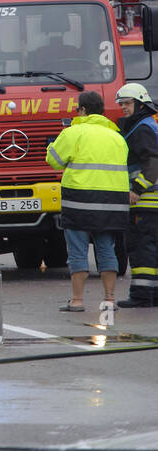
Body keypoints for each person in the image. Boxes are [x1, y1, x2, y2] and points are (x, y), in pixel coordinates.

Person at [46, 91, 128, 313]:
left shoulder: (73, 132)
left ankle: (77, 301)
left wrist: (52, 144)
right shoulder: (117, 136)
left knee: (77, 251)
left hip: (80, 201)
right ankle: (109, 300)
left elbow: (54, 160)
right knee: (106, 250)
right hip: (112, 203)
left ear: (82, 110)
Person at [116, 83, 158, 307]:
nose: (123, 108)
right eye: (121, 104)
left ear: (140, 104)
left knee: (141, 247)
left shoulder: (142, 128)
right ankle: (153, 295)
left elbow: (153, 162)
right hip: (150, 201)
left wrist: (137, 189)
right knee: (150, 247)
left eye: (127, 103)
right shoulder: (145, 125)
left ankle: (141, 296)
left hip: (145, 200)